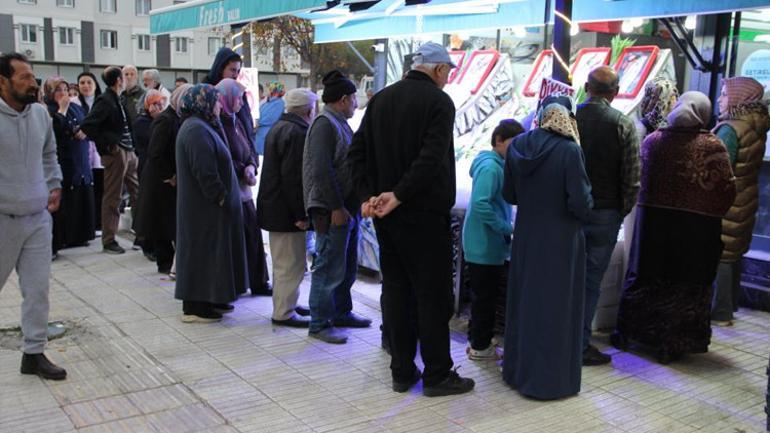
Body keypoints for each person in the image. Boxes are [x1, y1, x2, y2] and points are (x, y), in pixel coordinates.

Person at [348, 42, 474, 397]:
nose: (448, 78)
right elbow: (431, 158)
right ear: (437, 70)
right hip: (422, 215)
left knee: (397, 290)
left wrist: (368, 196)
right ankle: (437, 374)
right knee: (431, 296)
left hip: (387, 218)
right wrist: (399, 195)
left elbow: (355, 154)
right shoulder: (438, 102)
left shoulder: (381, 100)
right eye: (448, 71)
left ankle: (402, 370)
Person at [613, 92, 736, 363]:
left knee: (646, 276)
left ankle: (629, 332)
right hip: (695, 232)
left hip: (652, 227)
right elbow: (727, 189)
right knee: (684, 284)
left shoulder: (653, 141)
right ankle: (672, 342)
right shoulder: (712, 146)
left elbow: (636, 178)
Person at [502, 97, 593, 400]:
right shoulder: (570, 150)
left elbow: (510, 194)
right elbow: (580, 202)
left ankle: (517, 372)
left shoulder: (517, 146)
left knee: (525, 304)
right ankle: (550, 381)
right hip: (561, 240)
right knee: (557, 308)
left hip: (527, 236)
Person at [0, 52, 66, 380]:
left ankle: (34, 353)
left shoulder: (40, 114)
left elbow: (49, 153)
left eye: (32, 76)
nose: (32, 82)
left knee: (38, 290)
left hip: (38, 218)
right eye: (24, 77)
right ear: (3, 82)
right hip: (2, 218)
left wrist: (54, 184)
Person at [575, 66, 640, 366]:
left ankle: (556, 335)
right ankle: (579, 344)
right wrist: (621, 209)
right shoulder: (622, 124)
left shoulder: (570, 119)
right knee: (590, 281)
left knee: (563, 275)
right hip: (605, 212)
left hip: (569, 212)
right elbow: (631, 177)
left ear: (587, 87)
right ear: (614, 93)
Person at [303, 70, 371, 344]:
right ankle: (319, 323)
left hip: (347, 207)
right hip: (331, 210)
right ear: (343, 99)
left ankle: (341, 311)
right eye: (354, 98)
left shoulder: (339, 121)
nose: (357, 103)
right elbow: (321, 170)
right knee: (328, 268)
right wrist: (335, 207)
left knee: (345, 267)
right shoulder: (324, 124)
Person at [175, 84, 248, 322]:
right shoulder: (196, 130)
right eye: (216, 101)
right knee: (201, 254)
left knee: (210, 255)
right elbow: (204, 171)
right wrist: (221, 197)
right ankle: (195, 306)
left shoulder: (201, 126)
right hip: (204, 208)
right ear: (203, 103)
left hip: (206, 208)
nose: (219, 106)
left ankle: (209, 299)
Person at [462, 119, 523, 360]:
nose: (516, 150)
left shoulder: (494, 164)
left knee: (482, 296)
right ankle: (480, 347)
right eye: (513, 144)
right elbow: (480, 204)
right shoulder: (491, 168)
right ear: (498, 140)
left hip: (485, 243)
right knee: (484, 298)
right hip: (484, 244)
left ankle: (479, 340)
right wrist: (505, 228)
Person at [712, 76, 770, 326]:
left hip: (728, 202)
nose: (719, 99)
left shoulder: (731, 129)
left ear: (737, 97)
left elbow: (718, 169)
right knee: (733, 254)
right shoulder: (755, 124)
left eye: (724, 94)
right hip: (745, 197)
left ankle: (720, 312)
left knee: (721, 255)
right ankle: (731, 305)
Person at [257, 88, 318, 328]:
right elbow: (293, 179)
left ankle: (288, 305)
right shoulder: (296, 132)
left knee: (287, 262)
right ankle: (283, 313)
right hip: (285, 213)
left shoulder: (280, 126)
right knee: (289, 264)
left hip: (276, 209)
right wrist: (300, 215)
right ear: (309, 110)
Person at [215, 78, 270, 297]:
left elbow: (248, 149)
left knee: (253, 235)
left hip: (245, 190)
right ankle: (241, 282)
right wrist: (243, 169)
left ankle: (258, 281)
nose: (240, 102)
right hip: (233, 191)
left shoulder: (236, 121)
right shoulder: (219, 124)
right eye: (237, 98)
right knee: (240, 238)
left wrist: (251, 165)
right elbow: (225, 156)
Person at [80, 66, 140, 255]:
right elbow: (88, 126)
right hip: (116, 153)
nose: (126, 79)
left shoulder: (118, 99)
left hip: (129, 151)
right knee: (113, 196)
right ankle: (109, 239)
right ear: (118, 81)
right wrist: (110, 145)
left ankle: (142, 233)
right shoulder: (105, 100)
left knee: (137, 193)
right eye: (124, 76)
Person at [135, 84, 192, 275]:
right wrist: (169, 175)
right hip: (160, 179)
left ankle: (169, 261)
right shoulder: (165, 120)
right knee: (162, 221)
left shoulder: (176, 118)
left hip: (167, 177)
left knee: (167, 220)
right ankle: (164, 262)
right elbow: (156, 152)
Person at [624, 78, 678, 270]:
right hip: (640, 199)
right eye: (671, 98)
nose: (675, 103)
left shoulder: (667, 129)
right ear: (659, 100)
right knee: (636, 249)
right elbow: (634, 168)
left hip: (657, 199)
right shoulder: (641, 129)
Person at [43, 77, 95, 255]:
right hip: (62, 159)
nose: (63, 94)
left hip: (80, 157)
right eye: (58, 90)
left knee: (82, 194)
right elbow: (55, 131)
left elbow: (88, 125)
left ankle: (80, 235)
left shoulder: (77, 107)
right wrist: (62, 110)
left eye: (65, 89)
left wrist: (83, 132)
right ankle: (62, 238)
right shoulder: (48, 109)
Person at [76, 72, 103, 233]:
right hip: (83, 154)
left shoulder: (101, 103)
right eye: (82, 83)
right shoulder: (74, 104)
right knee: (87, 191)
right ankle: (89, 224)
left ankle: (99, 223)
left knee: (101, 190)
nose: (85, 86)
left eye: (89, 82)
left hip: (100, 154)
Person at [256, 81, 286, 155]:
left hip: (267, 134)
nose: (268, 91)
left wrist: (257, 122)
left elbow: (271, 118)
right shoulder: (266, 102)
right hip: (259, 134)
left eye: (271, 89)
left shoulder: (279, 103)